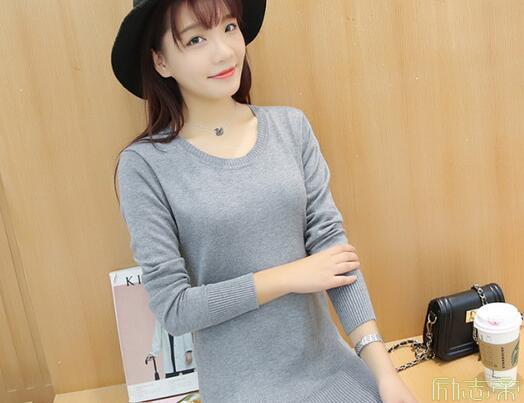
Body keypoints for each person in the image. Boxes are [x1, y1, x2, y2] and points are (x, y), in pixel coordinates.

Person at [111, 0, 417, 402]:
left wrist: (384, 374)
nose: (224, 51)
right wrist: (288, 276)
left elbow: (334, 255)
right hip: (242, 389)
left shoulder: (291, 128)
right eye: (196, 39)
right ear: (160, 61)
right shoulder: (145, 166)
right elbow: (175, 308)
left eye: (229, 28)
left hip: (330, 369)